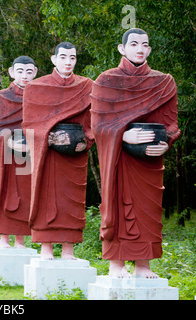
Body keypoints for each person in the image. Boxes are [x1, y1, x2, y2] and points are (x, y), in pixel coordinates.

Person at [91, 28, 181, 278]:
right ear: (122, 48)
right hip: (119, 159)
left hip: (150, 159)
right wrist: (122, 134)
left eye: (144, 45)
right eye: (133, 44)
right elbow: (97, 125)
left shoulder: (163, 82)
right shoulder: (106, 80)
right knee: (119, 206)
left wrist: (168, 141)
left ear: (150, 49)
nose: (140, 49)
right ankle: (116, 264)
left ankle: (143, 265)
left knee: (148, 210)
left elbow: (171, 123)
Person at [22, 42, 94, 259]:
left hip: (75, 154)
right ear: (53, 60)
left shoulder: (87, 86)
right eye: (63, 57)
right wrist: (50, 136)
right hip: (48, 153)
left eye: (72, 58)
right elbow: (29, 123)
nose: (68, 62)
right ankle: (46, 249)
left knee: (72, 200)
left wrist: (87, 140)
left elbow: (94, 120)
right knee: (47, 198)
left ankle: (69, 251)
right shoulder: (36, 87)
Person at [0, 56, 37, 248]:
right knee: (4, 193)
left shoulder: (41, 97)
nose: (25, 76)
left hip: (30, 156)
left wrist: (33, 141)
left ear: (35, 73)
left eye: (29, 72)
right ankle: (4, 239)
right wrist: (10, 142)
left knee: (26, 195)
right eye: (20, 71)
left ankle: (21, 241)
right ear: (11, 72)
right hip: (5, 157)